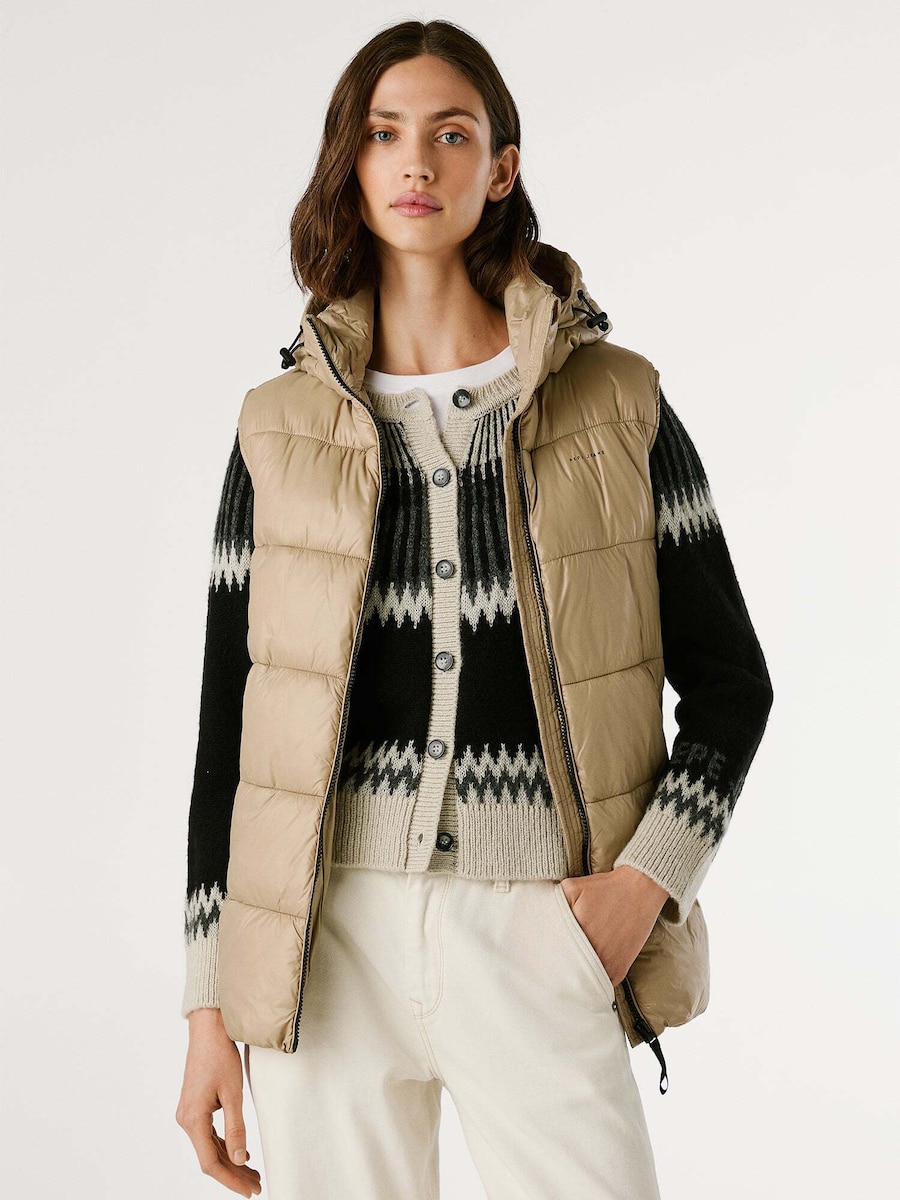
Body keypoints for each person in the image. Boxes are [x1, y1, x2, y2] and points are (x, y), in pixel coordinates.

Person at [175, 18, 774, 1200]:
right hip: (323, 946)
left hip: (539, 929)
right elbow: (227, 740)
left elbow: (733, 685)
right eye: (384, 134)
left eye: (451, 135)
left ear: (501, 168)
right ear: (350, 163)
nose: (417, 161)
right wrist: (208, 1008)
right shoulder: (276, 429)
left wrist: (642, 887)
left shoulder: (618, 405)